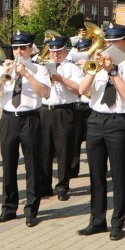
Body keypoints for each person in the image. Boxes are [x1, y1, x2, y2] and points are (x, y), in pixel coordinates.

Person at [77, 23, 125, 241]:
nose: (109, 46)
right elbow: (82, 90)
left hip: (118, 122)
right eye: (107, 42)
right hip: (95, 119)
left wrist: (113, 71)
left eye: (114, 42)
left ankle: (118, 223)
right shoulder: (96, 63)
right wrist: (92, 68)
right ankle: (97, 221)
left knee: (118, 176)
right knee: (96, 175)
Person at [0, 31, 51, 227]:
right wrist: (4, 74)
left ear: (31, 48)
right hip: (8, 119)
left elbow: (45, 93)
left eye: (23, 47)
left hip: (30, 118)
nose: (19, 51)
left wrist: (26, 74)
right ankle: (8, 208)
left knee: (32, 166)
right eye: (15, 48)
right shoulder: (3, 67)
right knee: (9, 165)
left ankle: (31, 210)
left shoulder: (40, 69)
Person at [38, 35, 83, 201]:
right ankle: (44, 185)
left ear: (65, 50)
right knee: (44, 150)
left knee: (64, 150)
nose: (55, 55)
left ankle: (63, 185)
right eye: (52, 52)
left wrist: (60, 79)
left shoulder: (73, 68)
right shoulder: (42, 67)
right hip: (45, 110)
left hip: (65, 111)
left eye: (59, 51)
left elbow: (79, 89)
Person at [68, 37, 93, 179]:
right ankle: (73, 169)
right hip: (76, 106)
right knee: (74, 140)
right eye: (81, 50)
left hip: (90, 107)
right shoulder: (72, 67)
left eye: (86, 50)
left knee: (92, 141)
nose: (83, 52)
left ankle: (94, 168)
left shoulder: (94, 66)